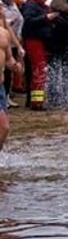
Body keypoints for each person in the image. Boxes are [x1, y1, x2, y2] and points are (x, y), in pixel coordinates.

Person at [0, 18, 22, 151]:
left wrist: (15, 66)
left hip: (0, 87)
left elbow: (8, 58)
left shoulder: (4, 33)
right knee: (3, 126)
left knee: (4, 129)